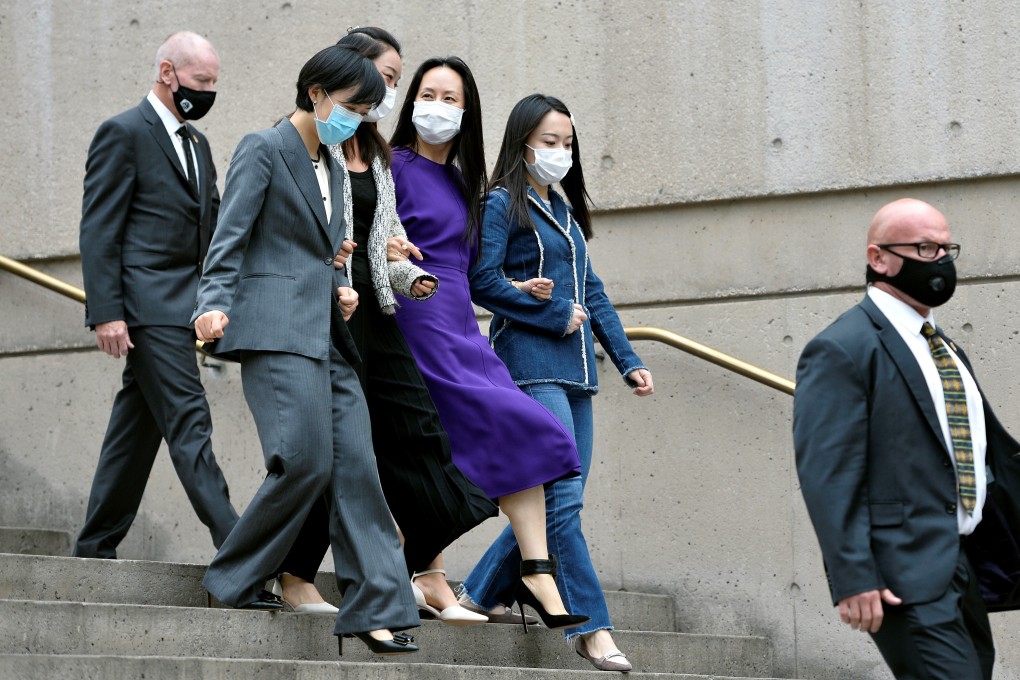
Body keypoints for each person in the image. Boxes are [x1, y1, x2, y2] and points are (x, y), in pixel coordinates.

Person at [191, 43, 419, 655]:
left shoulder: (338, 167)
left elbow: (318, 248)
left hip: (328, 331)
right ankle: (234, 576)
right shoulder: (262, 149)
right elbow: (229, 237)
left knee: (358, 469)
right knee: (303, 461)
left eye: (368, 111)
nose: (357, 120)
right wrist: (211, 303)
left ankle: (377, 608)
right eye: (352, 105)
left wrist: (339, 284)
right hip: (272, 328)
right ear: (316, 93)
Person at [272, 27, 496, 625]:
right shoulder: (303, 142)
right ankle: (294, 573)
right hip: (328, 310)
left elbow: (383, 238)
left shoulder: (376, 152)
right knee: (334, 448)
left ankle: (412, 562)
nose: (389, 91)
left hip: (380, 310)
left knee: (420, 430)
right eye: (387, 78)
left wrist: (402, 269)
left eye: (395, 82)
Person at [387, 55, 590, 632]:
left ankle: (531, 569)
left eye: (452, 99)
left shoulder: (465, 182)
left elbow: (478, 272)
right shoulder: (393, 165)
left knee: (523, 433)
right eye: (429, 94)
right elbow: (379, 238)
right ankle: (432, 569)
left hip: (461, 322)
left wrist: (523, 289)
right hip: (415, 313)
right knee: (487, 428)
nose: (438, 107)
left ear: (468, 110)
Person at [461, 93, 653, 672]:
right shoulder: (500, 204)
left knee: (557, 501)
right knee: (562, 499)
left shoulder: (565, 211)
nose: (560, 152)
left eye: (567, 142)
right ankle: (591, 628)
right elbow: (481, 282)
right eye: (549, 142)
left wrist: (627, 358)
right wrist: (546, 313)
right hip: (528, 365)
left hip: (576, 373)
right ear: (522, 144)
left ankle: (478, 591)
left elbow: (592, 292)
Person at [794, 198, 1020, 679]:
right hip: (900, 574)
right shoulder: (842, 348)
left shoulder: (943, 346)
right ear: (879, 258)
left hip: (963, 565)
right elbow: (828, 474)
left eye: (946, 247)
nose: (941, 261)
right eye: (924, 248)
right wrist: (853, 577)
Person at [74, 31, 238, 559]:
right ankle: (242, 553)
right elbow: (100, 229)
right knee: (190, 421)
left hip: (184, 305)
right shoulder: (122, 132)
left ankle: (94, 549)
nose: (208, 92)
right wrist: (107, 313)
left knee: (136, 431)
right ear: (168, 73)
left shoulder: (198, 143)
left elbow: (210, 231)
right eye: (200, 81)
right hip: (146, 307)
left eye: (214, 83)